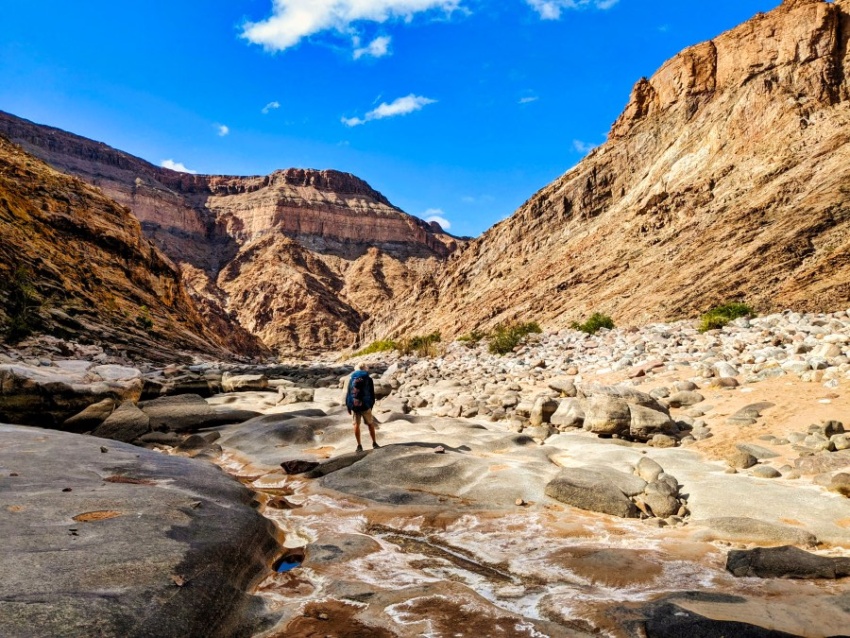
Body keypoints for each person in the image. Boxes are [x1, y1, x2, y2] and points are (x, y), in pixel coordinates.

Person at [343, 363, 379, 452]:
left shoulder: (352, 378)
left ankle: (359, 445)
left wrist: (348, 406)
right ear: (365, 368)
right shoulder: (368, 378)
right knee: (370, 424)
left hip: (355, 405)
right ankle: (374, 443)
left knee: (356, 425)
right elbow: (372, 393)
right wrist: (371, 405)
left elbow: (348, 393)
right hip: (365, 405)